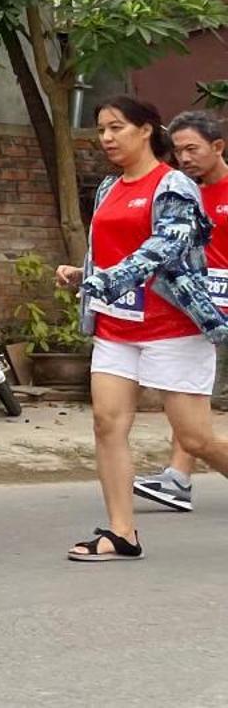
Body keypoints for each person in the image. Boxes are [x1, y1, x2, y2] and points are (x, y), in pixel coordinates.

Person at [58, 97, 228, 560]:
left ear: (147, 130)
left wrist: (108, 280)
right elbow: (110, 248)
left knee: (195, 439)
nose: (108, 138)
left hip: (173, 328)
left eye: (117, 127)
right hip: (118, 328)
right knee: (106, 424)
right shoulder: (109, 187)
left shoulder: (173, 185)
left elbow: (164, 248)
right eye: (101, 130)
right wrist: (84, 273)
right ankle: (121, 533)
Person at [134, 109, 228, 513]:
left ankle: (178, 477)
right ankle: (178, 478)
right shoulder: (181, 192)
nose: (184, 158)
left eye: (192, 149)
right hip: (198, 311)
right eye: (178, 151)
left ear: (218, 146)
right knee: (191, 396)